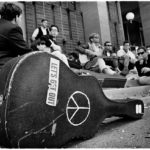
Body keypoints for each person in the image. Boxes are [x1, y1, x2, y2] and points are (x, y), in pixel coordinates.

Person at [0, 2, 32, 69]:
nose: (20, 20)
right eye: (20, 17)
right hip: (4, 69)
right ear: (16, 17)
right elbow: (25, 51)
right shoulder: (13, 28)